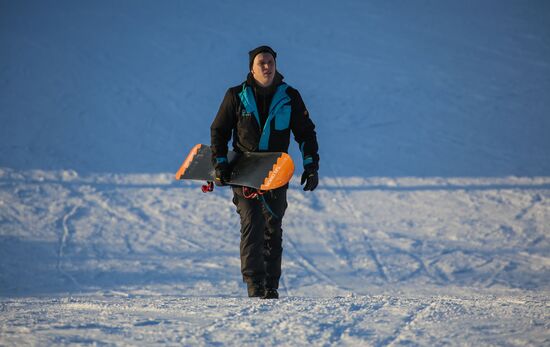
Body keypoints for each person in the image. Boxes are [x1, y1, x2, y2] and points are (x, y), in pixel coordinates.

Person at [210, 45, 319, 299]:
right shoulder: (236, 96)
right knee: (252, 222)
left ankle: (271, 285)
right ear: (252, 67)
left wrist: (311, 165)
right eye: (262, 63)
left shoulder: (289, 96)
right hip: (244, 170)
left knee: (272, 226)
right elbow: (219, 131)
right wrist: (220, 163)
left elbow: (305, 133)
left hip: (275, 172)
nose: (267, 67)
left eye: (270, 62)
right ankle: (254, 285)